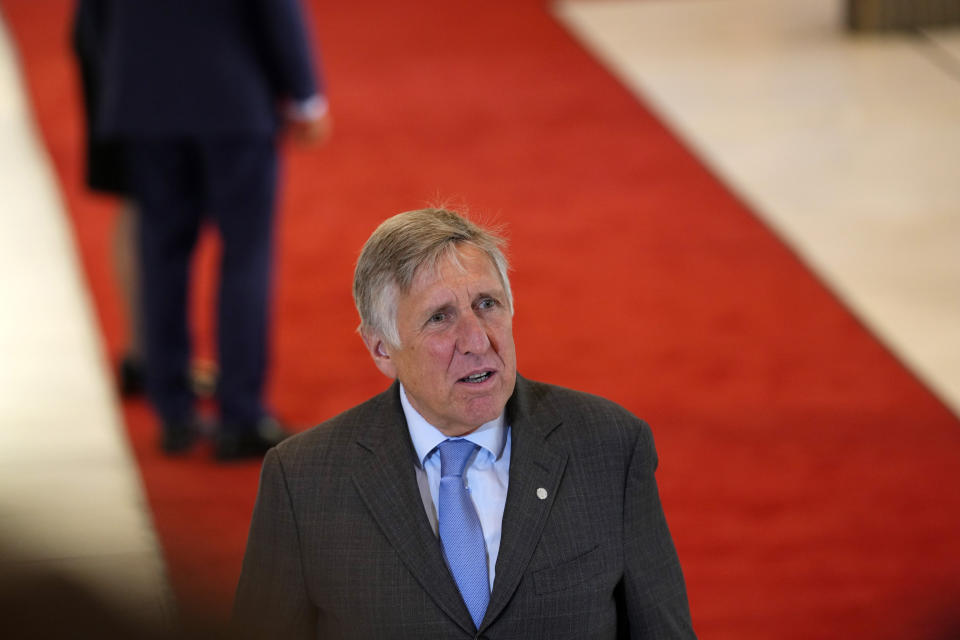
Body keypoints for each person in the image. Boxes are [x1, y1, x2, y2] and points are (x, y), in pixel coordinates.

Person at [234, 208, 696, 638]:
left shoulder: (609, 446)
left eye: (487, 304)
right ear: (381, 350)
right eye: (440, 318)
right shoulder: (304, 481)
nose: (477, 340)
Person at [93, 0, 332, 458]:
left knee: (160, 253)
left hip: (143, 100)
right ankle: (240, 415)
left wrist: (118, 81)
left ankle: (174, 415)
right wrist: (305, 93)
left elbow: (94, 16)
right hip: (232, 97)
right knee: (246, 254)